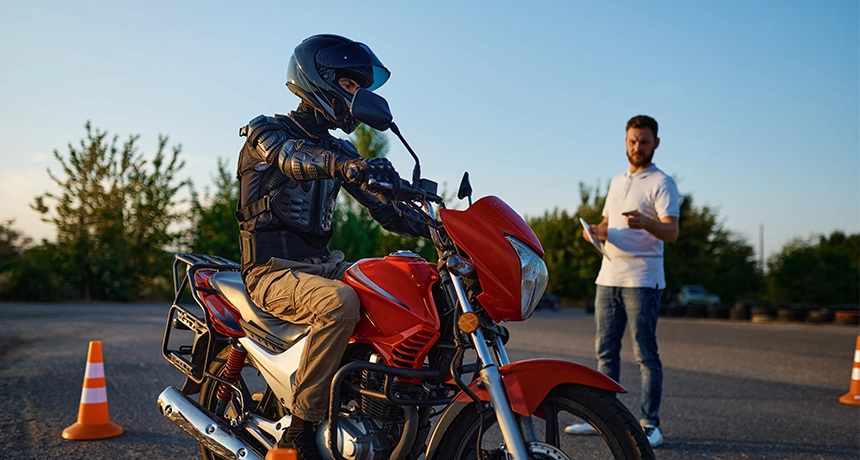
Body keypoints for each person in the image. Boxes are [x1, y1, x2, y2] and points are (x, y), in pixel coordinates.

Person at [235, 34, 430, 459]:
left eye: (360, 88)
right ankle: (299, 430)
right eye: (348, 85)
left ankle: (388, 404)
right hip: (271, 271)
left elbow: (388, 213)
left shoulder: (341, 149)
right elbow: (291, 158)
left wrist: (441, 228)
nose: (356, 96)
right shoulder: (266, 131)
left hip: (324, 265)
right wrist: (347, 166)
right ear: (317, 78)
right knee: (339, 304)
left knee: (402, 286)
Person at [565, 115, 679, 448]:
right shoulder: (617, 181)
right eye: (632, 141)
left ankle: (650, 424)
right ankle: (603, 418)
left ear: (656, 143)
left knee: (645, 354)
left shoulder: (662, 182)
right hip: (608, 276)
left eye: (644, 141)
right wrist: (594, 232)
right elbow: (606, 223)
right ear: (625, 142)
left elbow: (672, 231)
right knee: (605, 352)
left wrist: (647, 222)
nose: (637, 147)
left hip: (643, 279)